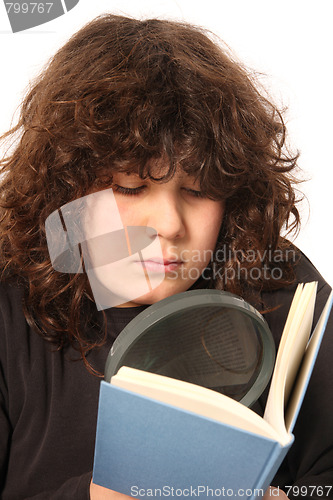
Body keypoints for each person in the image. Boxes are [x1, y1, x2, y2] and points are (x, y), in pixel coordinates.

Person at [0, 14, 332, 500]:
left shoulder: (284, 288)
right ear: (66, 191)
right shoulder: (10, 303)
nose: (171, 224)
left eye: (198, 189)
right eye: (131, 187)